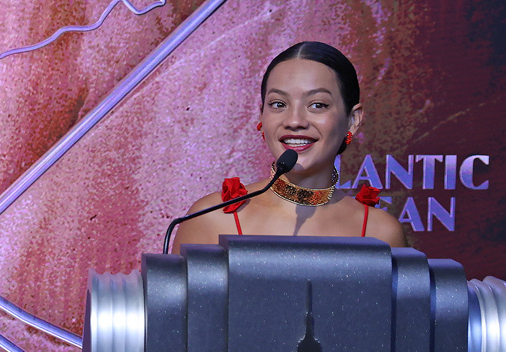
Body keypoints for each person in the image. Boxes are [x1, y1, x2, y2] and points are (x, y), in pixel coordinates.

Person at [170, 41, 407, 251]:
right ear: (261, 115)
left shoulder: (379, 233)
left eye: (317, 105)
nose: (294, 121)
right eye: (278, 103)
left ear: (352, 120)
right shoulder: (211, 218)